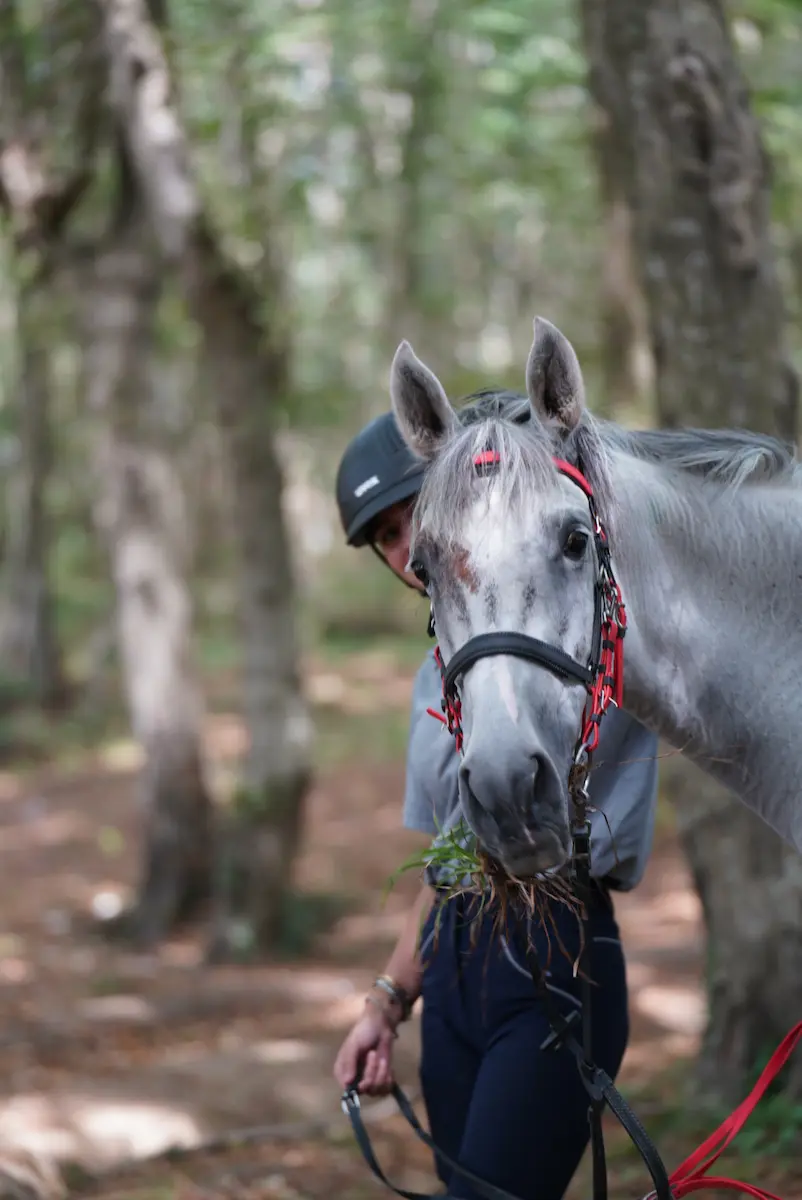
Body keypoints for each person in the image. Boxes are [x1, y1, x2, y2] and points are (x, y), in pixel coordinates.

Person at [332, 393, 659, 1200]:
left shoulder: (581, 623)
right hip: (452, 972)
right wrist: (387, 1001)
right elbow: (441, 866)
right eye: (387, 537)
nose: (407, 549)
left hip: (558, 951)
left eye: (413, 517)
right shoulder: (431, 678)